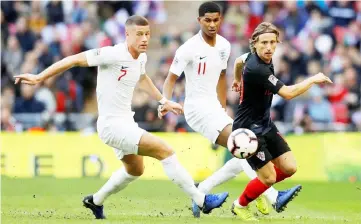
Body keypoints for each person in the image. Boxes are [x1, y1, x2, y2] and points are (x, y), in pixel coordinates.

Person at [14, 15, 229, 220]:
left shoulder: (141, 58)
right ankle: (201, 199)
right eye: (139, 34)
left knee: (135, 169)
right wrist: (40, 76)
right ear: (127, 35)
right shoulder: (112, 54)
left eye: (147, 34)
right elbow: (73, 60)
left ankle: (96, 201)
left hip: (126, 121)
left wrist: (163, 100)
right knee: (165, 151)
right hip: (111, 125)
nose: (144, 39)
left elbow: (142, 78)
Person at [161, 2, 278, 218]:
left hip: (214, 107)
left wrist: (223, 108)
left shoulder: (224, 45)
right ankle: (271, 195)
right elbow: (170, 80)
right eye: (207, 20)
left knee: (242, 151)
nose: (212, 24)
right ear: (199, 21)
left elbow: (223, 77)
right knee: (244, 144)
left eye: (216, 20)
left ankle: (202, 190)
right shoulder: (188, 48)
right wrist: (164, 102)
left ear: (221, 19)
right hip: (196, 109)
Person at [230, 22, 333, 221]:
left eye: (272, 42)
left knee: (289, 168)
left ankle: (257, 189)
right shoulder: (257, 69)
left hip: (265, 123)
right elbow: (287, 93)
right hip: (248, 131)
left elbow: (237, 61)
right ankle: (239, 206)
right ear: (254, 43)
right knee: (269, 177)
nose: (269, 47)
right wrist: (313, 79)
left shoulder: (254, 57)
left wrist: (236, 79)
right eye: (264, 43)